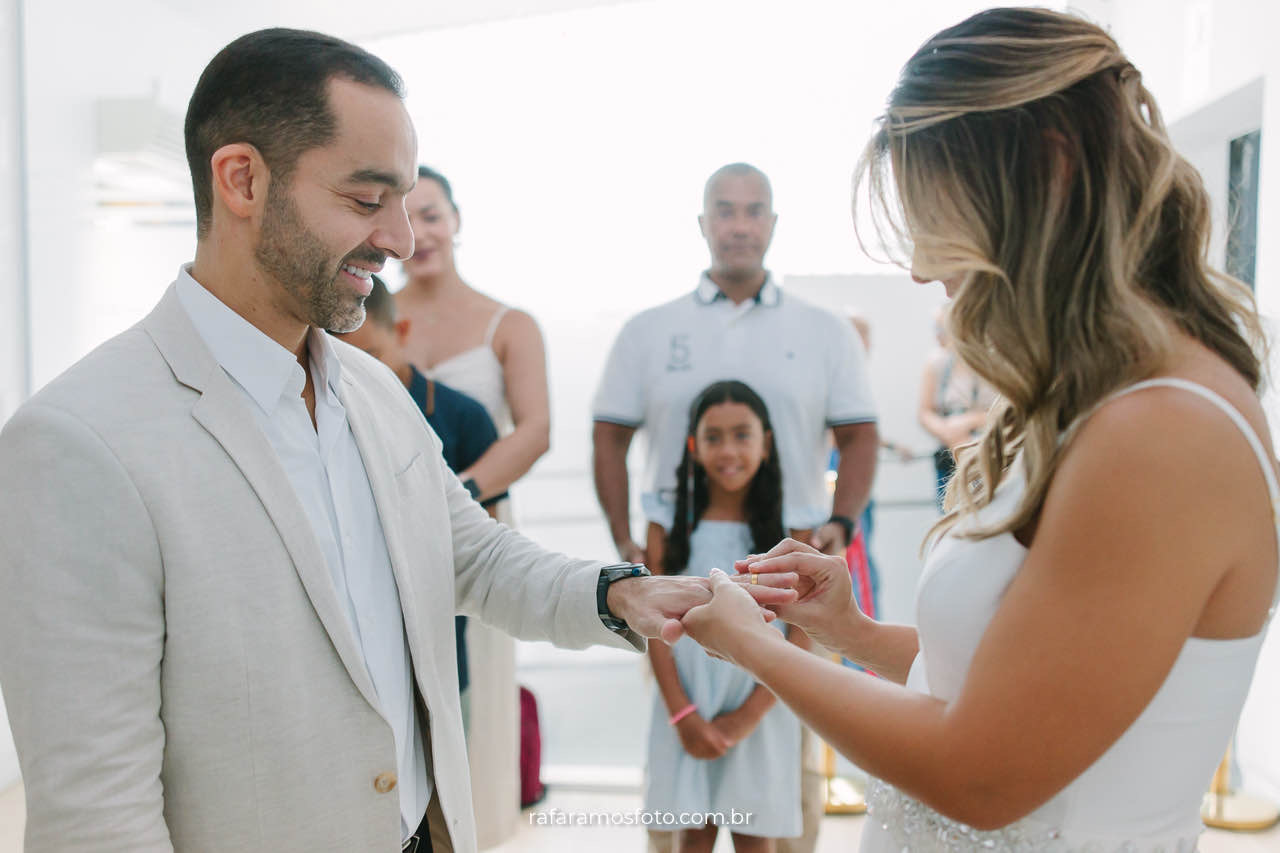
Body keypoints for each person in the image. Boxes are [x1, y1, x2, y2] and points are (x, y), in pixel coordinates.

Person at [0, 28, 759, 853]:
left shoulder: (371, 389)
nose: (400, 239)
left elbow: (468, 552)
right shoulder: (77, 441)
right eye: (367, 200)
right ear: (242, 179)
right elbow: (96, 815)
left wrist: (620, 593)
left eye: (402, 202)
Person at [673, 8, 1280, 852]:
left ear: (1049, 172)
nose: (921, 264)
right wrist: (846, 631)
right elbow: (1022, 674)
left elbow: (983, 775)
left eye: (937, 213)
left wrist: (758, 650)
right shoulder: (1094, 399)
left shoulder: (1163, 431)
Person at [593, 162, 879, 853]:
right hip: (680, 585)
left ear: (773, 224)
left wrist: (838, 525)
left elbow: (860, 431)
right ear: (704, 223)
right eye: (725, 210)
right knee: (683, 789)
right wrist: (625, 536)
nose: (740, 224)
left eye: (754, 211)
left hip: (788, 584)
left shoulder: (824, 330)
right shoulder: (650, 330)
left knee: (775, 797)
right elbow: (609, 432)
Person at [393, 166, 549, 842]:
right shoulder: (369, 317)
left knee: (476, 690)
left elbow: (536, 430)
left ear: (456, 220)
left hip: (478, 522)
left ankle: (478, 830)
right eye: (406, 216)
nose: (421, 232)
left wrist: (456, 498)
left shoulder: (507, 322)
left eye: (432, 214)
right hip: (390, 530)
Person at [334, 274, 506, 737]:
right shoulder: (326, 411)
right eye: (341, 359)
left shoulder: (465, 418)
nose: (356, 374)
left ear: (402, 334)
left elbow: (483, 550)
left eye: (371, 357)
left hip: (440, 653)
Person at [645, 381, 807, 853]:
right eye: (713, 437)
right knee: (691, 836)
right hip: (686, 704)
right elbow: (652, 628)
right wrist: (683, 713)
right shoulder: (666, 523)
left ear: (766, 442)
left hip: (763, 705)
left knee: (756, 838)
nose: (728, 450)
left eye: (742, 435)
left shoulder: (792, 527)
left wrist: (748, 717)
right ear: (694, 446)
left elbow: (802, 634)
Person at [917, 305, 994, 511]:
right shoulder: (936, 362)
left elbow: (1013, 411)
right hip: (949, 460)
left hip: (988, 457)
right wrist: (948, 432)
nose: (938, 336)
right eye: (936, 329)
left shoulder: (996, 361)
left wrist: (970, 422)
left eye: (943, 329)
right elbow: (925, 412)